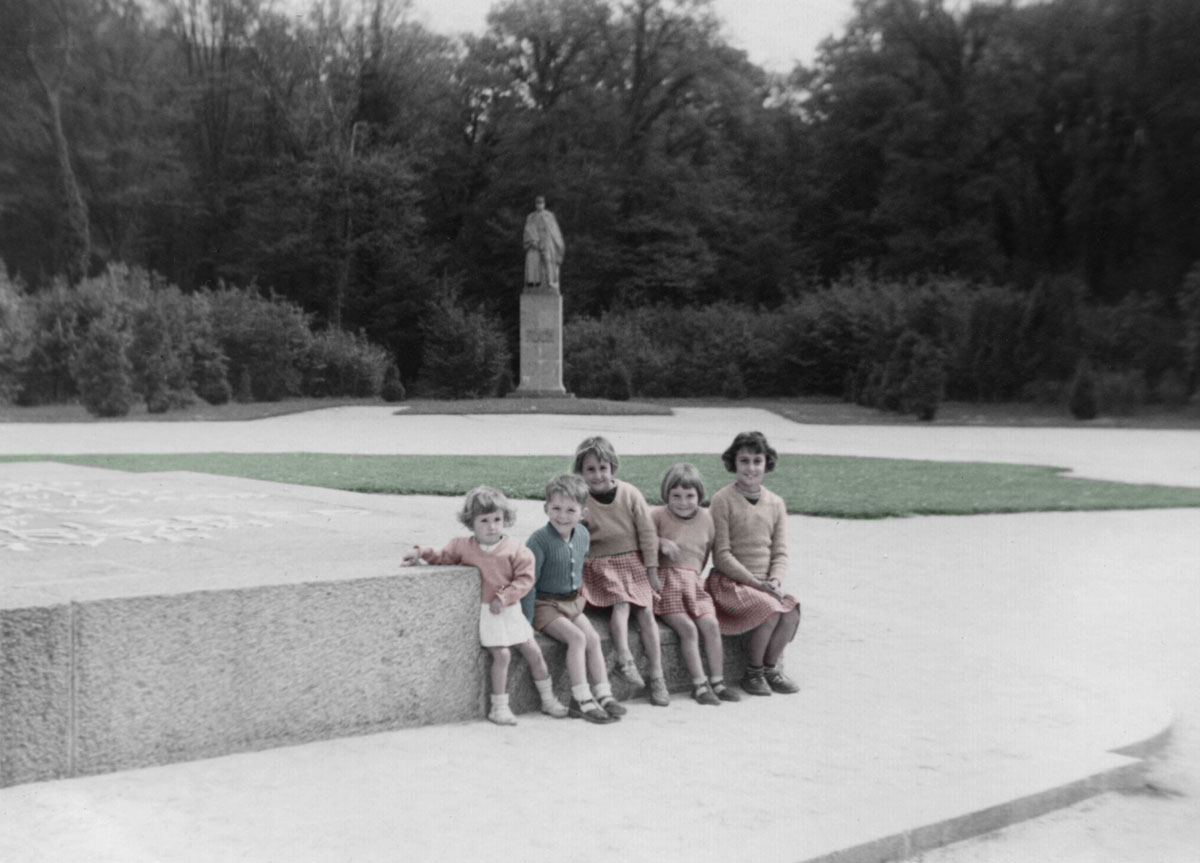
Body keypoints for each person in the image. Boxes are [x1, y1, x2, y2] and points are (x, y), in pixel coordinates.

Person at [401, 486, 568, 726]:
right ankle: (498, 707)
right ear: (471, 523)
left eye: (497, 519)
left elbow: (525, 579)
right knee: (502, 655)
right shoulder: (463, 546)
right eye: (484, 520)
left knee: (533, 651)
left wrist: (505, 596)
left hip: (509, 610)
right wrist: (419, 551)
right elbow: (442, 555)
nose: (492, 526)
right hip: (488, 613)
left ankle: (548, 698)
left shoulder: (516, 549)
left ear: (505, 520)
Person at [522, 475, 626, 724]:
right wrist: (526, 622)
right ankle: (581, 698)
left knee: (592, 638)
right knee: (577, 638)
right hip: (544, 605)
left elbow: (577, 570)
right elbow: (528, 583)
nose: (562, 515)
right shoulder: (539, 540)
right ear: (546, 508)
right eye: (555, 508)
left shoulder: (582, 535)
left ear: (583, 512)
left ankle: (603, 692)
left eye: (571, 510)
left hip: (571, 602)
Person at [573, 436, 669, 706]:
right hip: (600, 565)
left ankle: (657, 676)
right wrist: (576, 524)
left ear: (613, 468)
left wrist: (651, 570)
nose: (597, 475)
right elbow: (570, 539)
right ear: (581, 472)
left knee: (646, 610)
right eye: (590, 469)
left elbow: (648, 534)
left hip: (633, 563)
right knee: (622, 603)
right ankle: (625, 660)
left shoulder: (629, 493)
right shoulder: (580, 500)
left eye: (603, 468)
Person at [706, 432, 802, 696]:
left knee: (792, 611)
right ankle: (753, 672)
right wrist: (756, 583)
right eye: (744, 461)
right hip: (730, 583)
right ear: (733, 464)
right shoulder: (722, 500)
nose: (750, 468)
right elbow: (722, 555)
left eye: (757, 461)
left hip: (764, 584)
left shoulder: (775, 503)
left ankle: (771, 669)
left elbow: (780, 552)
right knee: (770, 608)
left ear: (766, 464)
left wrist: (774, 580)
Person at [652, 463, 740, 705]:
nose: (683, 502)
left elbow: (703, 555)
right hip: (667, 583)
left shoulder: (706, 519)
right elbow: (639, 539)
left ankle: (718, 681)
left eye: (690, 496)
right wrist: (659, 541)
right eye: (676, 496)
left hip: (693, 583)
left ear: (699, 496)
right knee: (688, 629)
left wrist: (693, 579)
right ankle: (699, 685)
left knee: (711, 624)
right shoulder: (657, 516)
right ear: (666, 495)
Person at [523, 195, 564, 292]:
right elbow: (528, 230)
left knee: (548, 260)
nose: (539, 205)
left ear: (544, 204)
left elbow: (554, 231)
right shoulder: (531, 216)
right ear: (535, 204)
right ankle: (536, 284)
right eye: (537, 203)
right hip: (535, 241)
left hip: (546, 240)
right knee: (535, 262)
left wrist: (558, 246)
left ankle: (550, 282)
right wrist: (533, 240)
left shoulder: (549, 216)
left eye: (541, 203)